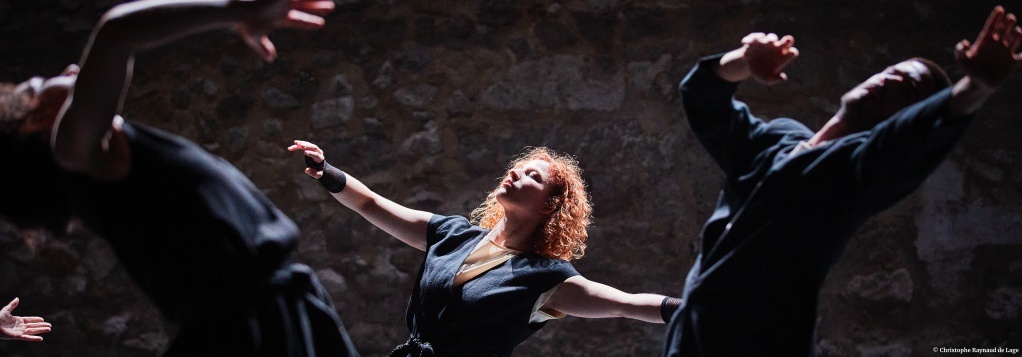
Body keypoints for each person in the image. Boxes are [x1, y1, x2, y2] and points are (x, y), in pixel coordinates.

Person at [0, 0, 360, 355]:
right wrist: (236, 10)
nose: (68, 68)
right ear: (36, 126)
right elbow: (115, 32)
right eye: (40, 85)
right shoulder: (73, 153)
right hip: (248, 332)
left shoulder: (97, 158)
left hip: (270, 315)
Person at [665, 6, 1022, 356]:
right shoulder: (775, 143)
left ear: (905, 117)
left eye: (910, 89)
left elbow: (913, 140)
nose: (894, 79)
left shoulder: (852, 172)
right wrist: (743, 60)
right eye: (894, 71)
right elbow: (702, 98)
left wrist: (977, 86)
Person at [288, 141, 682, 356]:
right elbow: (371, 204)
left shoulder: (545, 279)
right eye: (519, 167)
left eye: (533, 176)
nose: (515, 172)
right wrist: (327, 172)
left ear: (550, 206)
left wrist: (696, 307)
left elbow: (623, 303)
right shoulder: (452, 234)